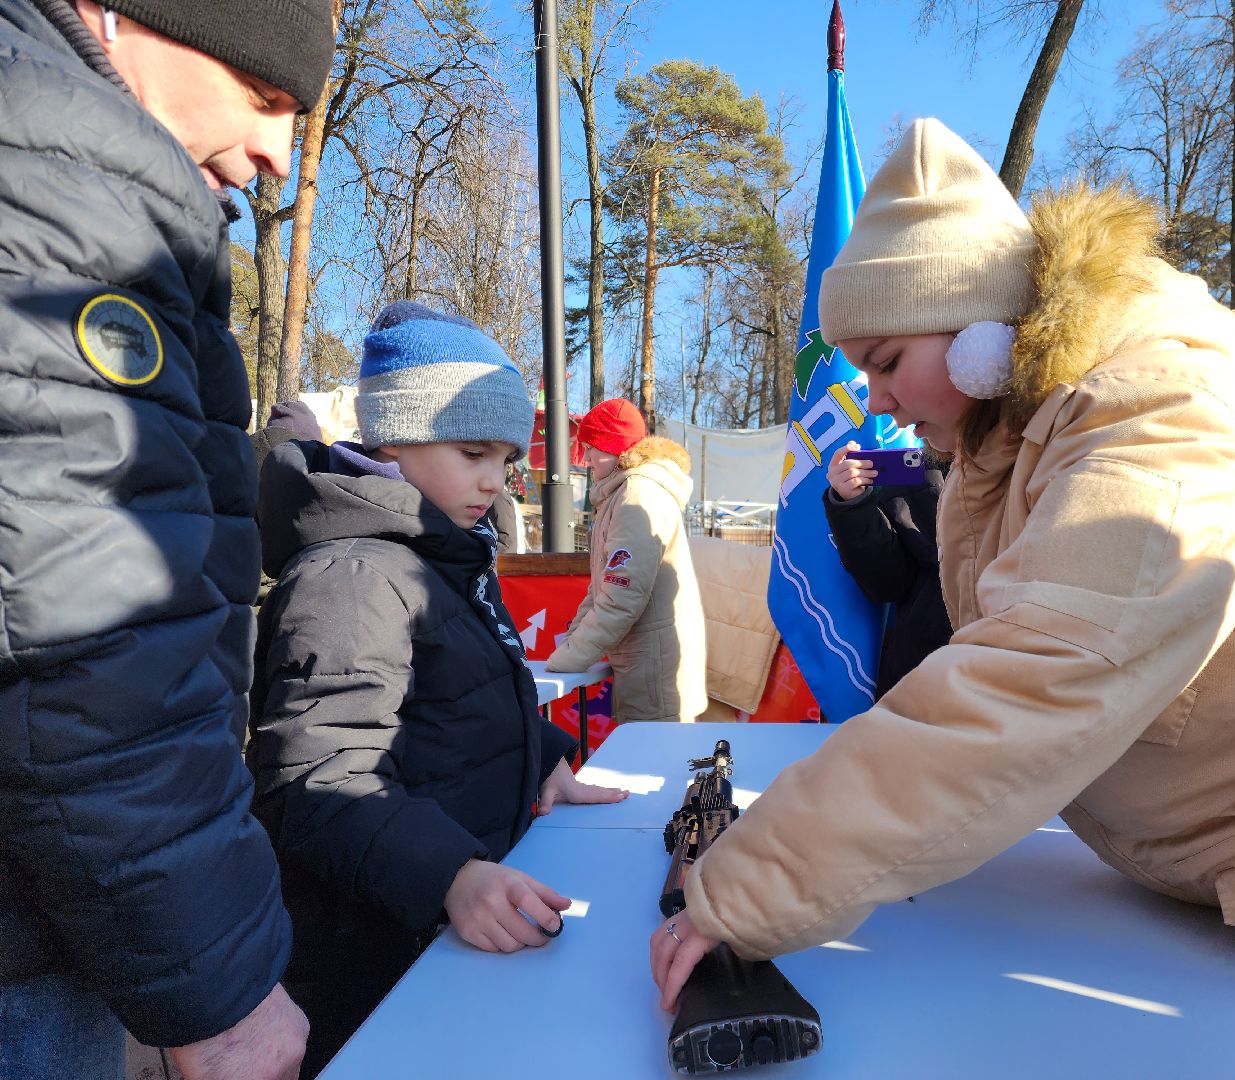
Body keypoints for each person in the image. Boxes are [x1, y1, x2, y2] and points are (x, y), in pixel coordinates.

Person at [650, 119, 1235, 1060]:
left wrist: (750, 886)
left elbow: (1030, 682)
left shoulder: (1160, 425)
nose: (879, 400)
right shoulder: (1016, 454)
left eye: (888, 361)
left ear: (984, 334)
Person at [0, 2, 334, 1078]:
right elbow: (88, 642)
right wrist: (221, 993)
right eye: (263, 97)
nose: (278, 154)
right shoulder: (62, 185)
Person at [247, 302, 629, 1078]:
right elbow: (320, 780)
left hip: (443, 934)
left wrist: (545, 759)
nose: (494, 480)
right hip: (377, 957)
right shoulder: (351, 575)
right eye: (473, 451)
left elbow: (463, 694)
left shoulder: (438, 555)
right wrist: (450, 874)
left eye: (505, 458)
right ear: (394, 437)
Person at [545, 399, 707, 724]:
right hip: (649, 663)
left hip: (654, 671)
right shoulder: (624, 493)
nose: (586, 459)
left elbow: (621, 598)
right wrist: (571, 642)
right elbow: (604, 587)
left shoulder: (637, 494)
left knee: (651, 754)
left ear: (614, 449)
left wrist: (568, 658)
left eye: (591, 449)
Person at [824, 442, 950, 696]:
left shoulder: (1030, 461)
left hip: (1010, 665)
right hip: (921, 675)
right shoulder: (916, 471)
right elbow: (888, 583)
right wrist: (853, 505)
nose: (904, 425)